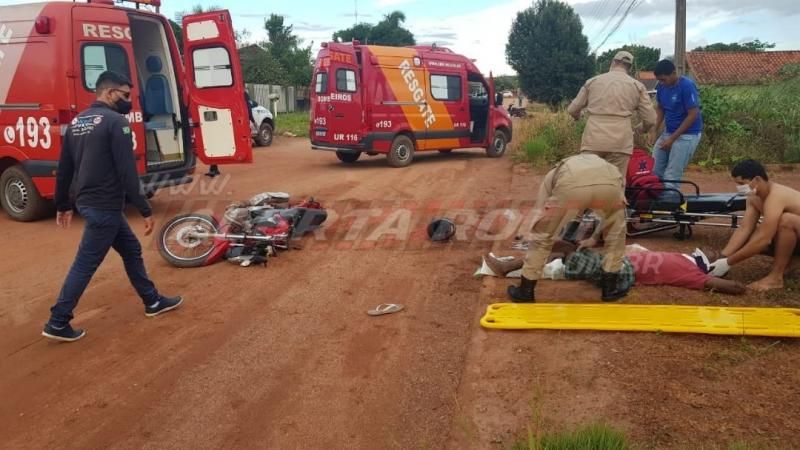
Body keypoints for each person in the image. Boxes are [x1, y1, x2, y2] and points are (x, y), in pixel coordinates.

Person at [45, 71, 183, 342]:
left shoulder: (77, 122)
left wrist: (62, 204)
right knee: (85, 264)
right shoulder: (115, 121)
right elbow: (127, 171)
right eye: (125, 95)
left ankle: (152, 301)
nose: (128, 101)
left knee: (131, 250)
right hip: (104, 206)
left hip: (90, 203)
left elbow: (64, 169)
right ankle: (58, 321)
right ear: (108, 93)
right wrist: (144, 208)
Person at [507, 153, 628, 303]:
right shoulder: (607, 167)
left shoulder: (553, 174)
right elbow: (614, 212)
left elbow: (541, 210)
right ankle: (610, 290)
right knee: (616, 235)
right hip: (610, 185)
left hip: (571, 186)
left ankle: (525, 291)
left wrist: (536, 229)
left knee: (542, 237)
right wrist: (595, 237)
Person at [485, 243, 746, 295]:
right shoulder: (681, 258)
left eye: (712, 253)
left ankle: (512, 270)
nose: (711, 250)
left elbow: (728, 286)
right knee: (562, 253)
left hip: (620, 274)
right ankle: (512, 266)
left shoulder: (694, 273)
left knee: (562, 248)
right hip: (617, 266)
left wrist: (746, 287)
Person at [710, 159, 800, 291]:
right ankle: (794, 262)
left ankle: (775, 278)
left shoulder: (776, 195)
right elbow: (744, 228)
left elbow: (764, 239)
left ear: (757, 179)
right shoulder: (753, 198)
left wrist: (729, 262)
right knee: (752, 235)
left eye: (742, 183)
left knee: (786, 221)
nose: (739, 188)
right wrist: (723, 257)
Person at [567, 50, 657, 179]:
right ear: (629, 68)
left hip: (593, 139)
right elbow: (651, 119)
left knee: (588, 181)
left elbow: (572, 109)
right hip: (620, 142)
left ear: (613, 62)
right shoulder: (637, 86)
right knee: (616, 183)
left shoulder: (592, 82)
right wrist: (640, 129)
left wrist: (578, 117)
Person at [652, 59, 703, 198]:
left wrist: (672, 139)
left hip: (687, 135)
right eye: (659, 80)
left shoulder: (687, 86)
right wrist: (655, 128)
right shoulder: (661, 86)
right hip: (668, 132)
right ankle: (656, 202)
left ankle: (668, 208)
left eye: (663, 79)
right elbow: (661, 108)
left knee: (672, 174)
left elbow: (693, 114)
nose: (661, 83)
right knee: (654, 170)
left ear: (674, 73)